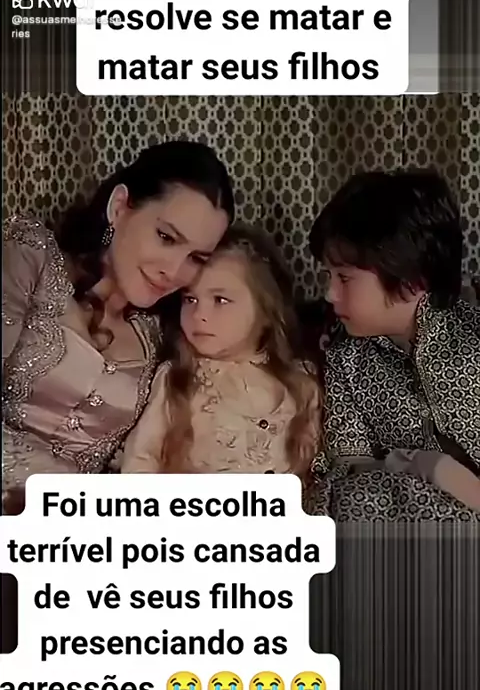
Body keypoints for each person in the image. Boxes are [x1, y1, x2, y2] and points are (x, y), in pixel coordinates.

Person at [2, 141, 234, 509]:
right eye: (166, 237)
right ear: (120, 206)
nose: (174, 271)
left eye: (196, 258)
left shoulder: (163, 338)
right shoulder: (32, 255)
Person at [305, 169, 480, 520]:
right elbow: (348, 465)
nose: (329, 294)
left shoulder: (473, 334)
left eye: (345, 278)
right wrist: (418, 467)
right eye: (328, 275)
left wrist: (452, 477)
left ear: (411, 281)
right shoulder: (345, 359)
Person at [121, 224, 321, 476]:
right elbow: (141, 461)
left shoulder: (301, 384)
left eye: (220, 300)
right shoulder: (177, 379)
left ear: (266, 309)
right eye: (190, 299)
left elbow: (312, 470)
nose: (199, 315)